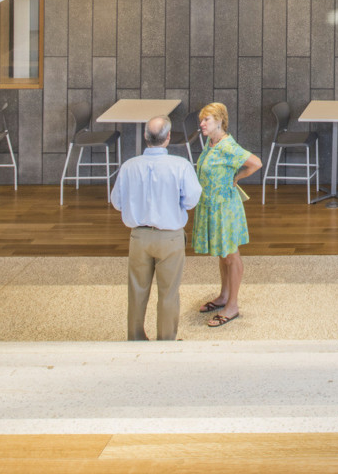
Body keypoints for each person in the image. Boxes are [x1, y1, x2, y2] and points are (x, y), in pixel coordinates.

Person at [109, 116, 202, 342]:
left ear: (145, 137)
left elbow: (116, 201)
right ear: (168, 138)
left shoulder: (129, 166)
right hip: (170, 238)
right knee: (169, 293)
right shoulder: (181, 166)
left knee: (137, 292)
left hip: (138, 236)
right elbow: (191, 200)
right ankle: (166, 341)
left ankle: (135, 339)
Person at [191, 102, 261, 328]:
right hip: (212, 205)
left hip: (225, 208)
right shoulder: (211, 143)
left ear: (219, 121)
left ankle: (232, 305)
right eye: (202, 120)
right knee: (223, 253)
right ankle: (223, 296)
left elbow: (255, 163)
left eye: (206, 120)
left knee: (231, 255)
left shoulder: (227, 146)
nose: (201, 124)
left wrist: (237, 177)